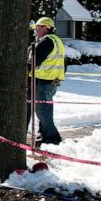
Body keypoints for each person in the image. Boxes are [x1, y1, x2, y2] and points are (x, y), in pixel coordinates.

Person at [28, 17, 65, 146]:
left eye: (38, 27)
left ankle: (52, 136)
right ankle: (43, 134)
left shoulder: (46, 42)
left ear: (46, 27)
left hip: (42, 81)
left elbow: (33, 61)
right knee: (46, 109)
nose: (36, 30)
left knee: (42, 110)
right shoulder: (57, 41)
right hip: (52, 81)